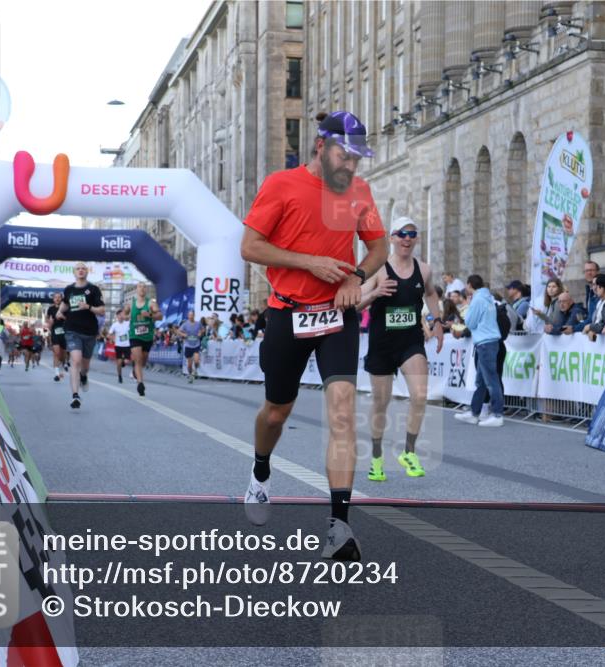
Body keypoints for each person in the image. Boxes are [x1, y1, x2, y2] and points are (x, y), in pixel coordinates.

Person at [239, 109, 388, 561]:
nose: (351, 166)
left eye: (358, 159)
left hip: (336, 315)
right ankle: (261, 470)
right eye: (345, 155)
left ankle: (339, 527)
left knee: (343, 410)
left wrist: (355, 278)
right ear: (321, 147)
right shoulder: (281, 185)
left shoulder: (359, 191)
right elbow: (249, 247)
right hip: (288, 313)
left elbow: (378, 245)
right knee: (276, 412)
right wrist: (309, 262)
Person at [358, 218, 444, 482]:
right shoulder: (378, 270)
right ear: (392, 238)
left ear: (417, 238)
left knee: (420, 394)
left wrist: (437, 320)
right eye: (401, 234)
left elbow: (430, 294)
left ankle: (409, 451)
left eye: (412, 234)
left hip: (410, 342)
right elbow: (356, 303)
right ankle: (375, 457)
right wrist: (375, 294)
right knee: (380, 403)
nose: (407, 239)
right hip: (382, 344)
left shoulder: (424, 269)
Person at [453, 274, 504, 428]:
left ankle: (497, 414)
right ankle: (475, 412)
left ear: (469, 285)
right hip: (490, 341)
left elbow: (470, 321)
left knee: (490, 380)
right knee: (482, 380)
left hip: (485, 342)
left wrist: (469, 307)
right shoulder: (488, 297)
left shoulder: (477, 300)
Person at [57, 261, 106, 410]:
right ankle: (75, 396)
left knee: (84, 366)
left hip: (89, 332)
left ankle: (83, 376)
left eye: (83, 269)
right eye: (78, 269)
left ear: (87, 272)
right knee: (75, 360)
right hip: (72, 330)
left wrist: (88, 307)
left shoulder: (93, 290)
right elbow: (65, 304)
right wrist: (60, 311)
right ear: (74, 272)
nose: (81, 270)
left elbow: (102, 310)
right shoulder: (69, 289)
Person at [129, 283, 161, 397]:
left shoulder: (151, 303)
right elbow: (124, 314)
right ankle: (140, 383)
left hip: (147, 336)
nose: (142, 288)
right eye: (139, 286)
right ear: (136, 289)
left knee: (143, 361)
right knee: (138, 359)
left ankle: (135, 372)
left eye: (144, 287)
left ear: (146, 290)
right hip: (134, 335)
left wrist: (150, 314)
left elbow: (160, 316)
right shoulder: (130, 304)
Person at [46, 293, 68, 382]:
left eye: (59, 297)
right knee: (56, 353)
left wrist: (63, 317)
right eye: (56, 297)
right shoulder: (50, 309)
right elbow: (47, 320)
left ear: (61, 299)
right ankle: (56, 374)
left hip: (64, 333)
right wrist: (49, 322)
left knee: (62, 354)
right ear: (53, 299)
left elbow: (71, 319)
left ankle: (64, 362)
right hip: (55, 332)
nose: (57, 299)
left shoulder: (66, 308)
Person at [180, 310, 205, 382]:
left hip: (196, 344)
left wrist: (200, 332)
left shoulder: (198, 323)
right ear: (188, 316)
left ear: (194, 316)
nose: (190, 317)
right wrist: (183, 335)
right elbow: (179, 331)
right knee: (189, 365)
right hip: (188, 345)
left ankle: (195, 370)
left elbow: (203, 329)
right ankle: (190, 375)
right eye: (189, 315)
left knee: (196, 361)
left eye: (192, 315)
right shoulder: (185, 324)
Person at [108, 309, 132, 383]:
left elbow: (131, 318)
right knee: (118, 363)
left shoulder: (127, 323)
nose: (122, 316)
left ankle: (123, 363)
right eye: (120, 315)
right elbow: (109, 334)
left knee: (127, 361)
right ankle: (119, 376)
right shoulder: (114, 325)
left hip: (127, 345)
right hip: (118, 345)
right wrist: (112, 338)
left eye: (123, 314)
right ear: (117, 316)